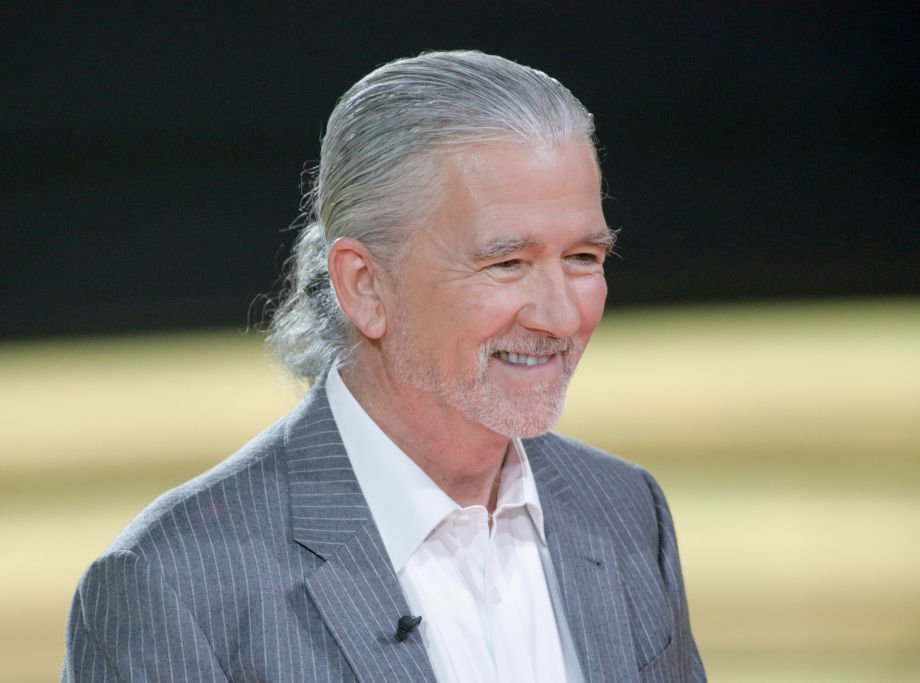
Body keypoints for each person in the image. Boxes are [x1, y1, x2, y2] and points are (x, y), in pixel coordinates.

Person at [62, 50, 705, 682]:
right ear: (365, 286)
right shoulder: (170, 589)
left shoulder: (625, 508)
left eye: (584, 258)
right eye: (506, 263)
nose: (562, 317)